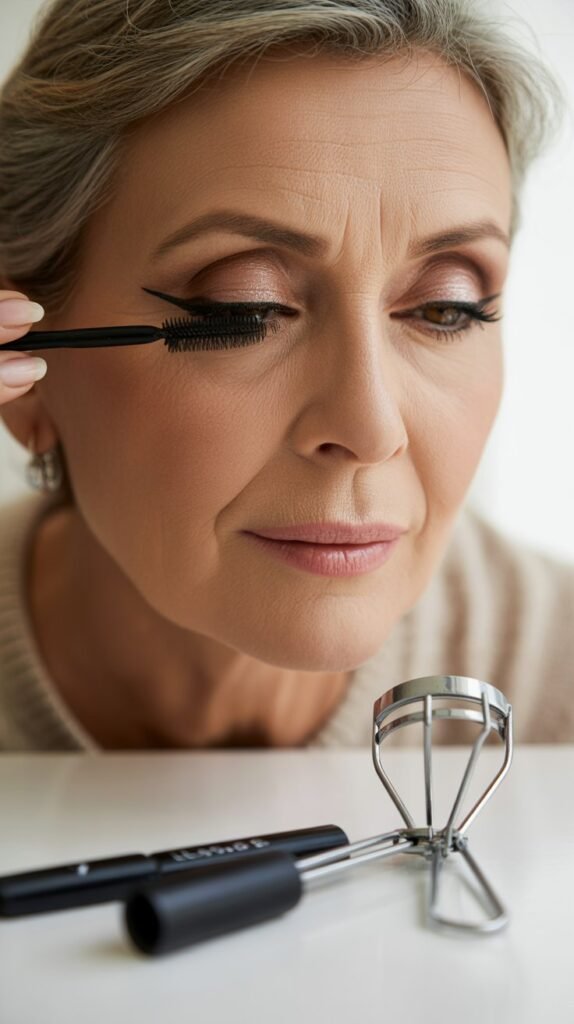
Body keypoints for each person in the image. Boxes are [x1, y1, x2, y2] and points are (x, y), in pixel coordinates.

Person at [0, 0, 572, 751]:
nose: (370, 429)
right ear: (29, 364)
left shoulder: (550, 683)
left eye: (445, 309)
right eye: (250, 308)